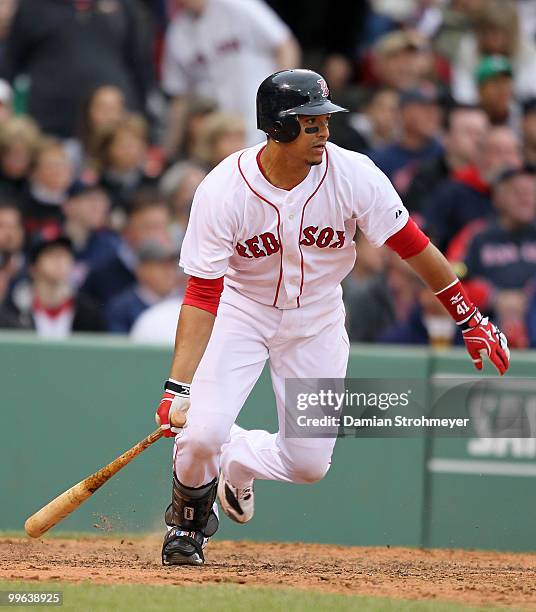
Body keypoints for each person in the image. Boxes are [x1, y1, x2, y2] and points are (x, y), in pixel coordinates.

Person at [152, 69, 510, 567]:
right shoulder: (223, 190)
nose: (324, 131)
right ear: (277, 127)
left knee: (308, 465)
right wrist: (179, 385)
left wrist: (468, 316)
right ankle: (187, 527)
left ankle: (236, 460)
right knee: (200, 434)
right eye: (311, 121)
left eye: (325, 120)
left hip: (317, 318)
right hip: (242, 311)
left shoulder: (353, 173)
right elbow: (202, 292)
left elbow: (415, 247)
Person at [161, 0, 301, 153]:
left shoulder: (238, 5)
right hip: (217, 132)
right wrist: (167, 150)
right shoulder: (177, 32)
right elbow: (179, 96)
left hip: (260, 112)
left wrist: (280, 98)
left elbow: (285, 46)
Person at [1, 0, 151, 138]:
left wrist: (143, 114)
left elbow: (138, 65)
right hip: (52, 129)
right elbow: (10, 63)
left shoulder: (123, 7)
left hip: (113, 136)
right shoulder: (33, 7)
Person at [422, 126, 522, 251]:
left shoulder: (528, 198)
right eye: (498, 152)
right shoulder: (452, 192)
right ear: (480, 156)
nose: (507, 160)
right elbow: (428, 241)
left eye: (512, 152)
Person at [0, 231, 105, 336]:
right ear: (33, 268)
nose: (60, 261)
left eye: (65, 255)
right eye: (51, 255)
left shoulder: (89, 312)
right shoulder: (12, 310)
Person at [81, 189, 171, 308]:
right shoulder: (101, 275)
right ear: (127, 229)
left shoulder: (176, 274)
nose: (156, 236)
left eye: (161, 227)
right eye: (149, 227)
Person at [405, 105, 489, 213]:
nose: (478, 140)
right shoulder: (426, 179)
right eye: (469, 132)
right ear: (446, 137)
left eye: (481, 133)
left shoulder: (493, 178)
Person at [369, 84, 443, 196]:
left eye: (436, 108)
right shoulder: (379, 161)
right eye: (425, 109)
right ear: (402, 113)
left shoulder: (446, 156)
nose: (433, 115)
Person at [106, 240, 180, 333]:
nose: (170, 272)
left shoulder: (184, 303)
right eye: (162, 266)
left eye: (173, 266)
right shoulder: (121, 309)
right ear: (141, 270)